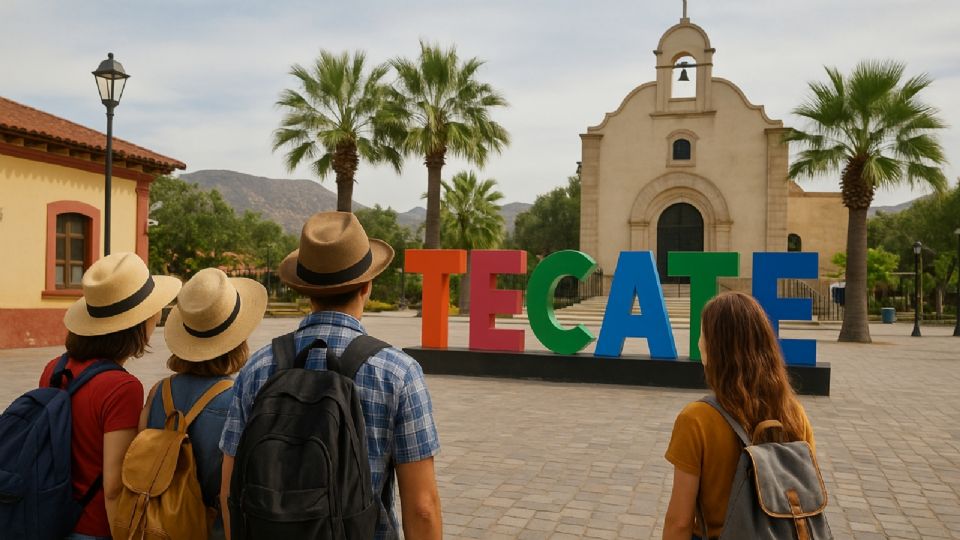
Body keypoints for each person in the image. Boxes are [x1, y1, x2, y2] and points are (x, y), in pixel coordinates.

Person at [219, 211, 443, 539]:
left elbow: (229, 490)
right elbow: (422, 507)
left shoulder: (258, 367)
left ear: (305, 290)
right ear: (366, 286)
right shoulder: (397, 372)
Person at [38, 252, 181, 540]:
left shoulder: (54, 368)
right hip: (94, 527)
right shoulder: (121, 388)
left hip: (51, 517)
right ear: (137, 324)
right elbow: (114, 486)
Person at [662, 292, 817, 540]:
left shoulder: (697, 419)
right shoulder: (794, 414)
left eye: (703, 334)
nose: (699, 341)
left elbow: (679, 522)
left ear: (715, 347)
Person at [137, 268, 267, 539]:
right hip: (215, 529)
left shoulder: (157, 393)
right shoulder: (240, 400)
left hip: (160, 528)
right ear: (237, 338)